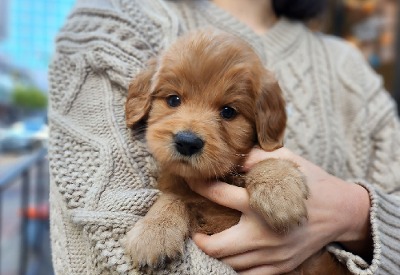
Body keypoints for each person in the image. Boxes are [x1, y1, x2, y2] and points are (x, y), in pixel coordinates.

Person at [48, 0, 400, 274]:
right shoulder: (111, 24)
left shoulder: (348, 66)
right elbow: (106, 257)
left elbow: (271, 160)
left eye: (229, 112)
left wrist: (358, 213)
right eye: (173, 99)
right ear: (145, 96)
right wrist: (169, 209)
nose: (189, 131)